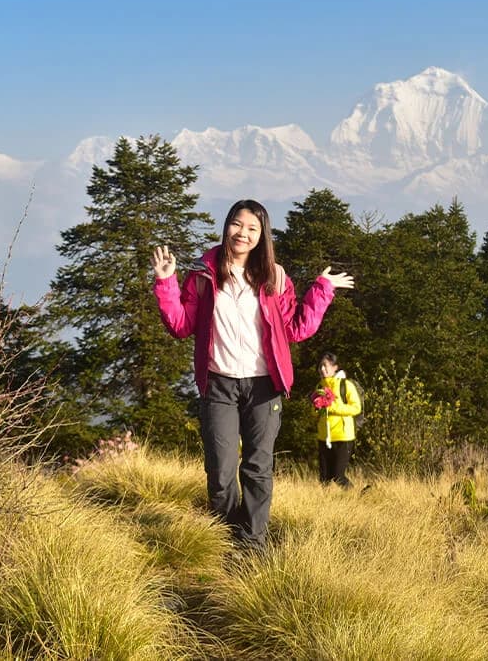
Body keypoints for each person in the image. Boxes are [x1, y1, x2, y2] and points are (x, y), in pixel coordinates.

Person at [152, 199, 353, 551]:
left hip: (264, 386)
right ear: (226, 225)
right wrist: (166, 282)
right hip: (219, 384)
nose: (242, 233)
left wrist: (322, 289)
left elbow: (296, 329)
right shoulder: (203, 274)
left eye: (252, 228)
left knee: (258, 468)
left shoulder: (275, 277)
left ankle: (253, 546)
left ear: (262, 235)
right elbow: (181, 326)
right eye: (237, 224)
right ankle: (226, 540)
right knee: (221, 471)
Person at [313, 352, 361, 487]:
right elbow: (315, 413)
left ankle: (356, 496)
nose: (322, 369)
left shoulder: (346, 385)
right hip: (324, 437)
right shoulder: (319, 387)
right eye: (320, 366)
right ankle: (327, 500)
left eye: (325, 365)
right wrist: (317, 408)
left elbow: (356, 408)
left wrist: (332, 407)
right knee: (324, 478)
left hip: (343, 437)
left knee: (338, 477)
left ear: (335, 367)